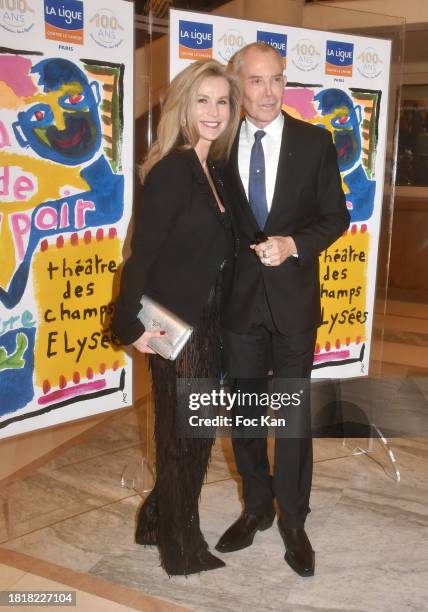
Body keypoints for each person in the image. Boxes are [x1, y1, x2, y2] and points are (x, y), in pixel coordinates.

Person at [215, 43, 350, 577]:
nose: (268, 92)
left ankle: (294, 519)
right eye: (256, 81)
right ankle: (257, 507)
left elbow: (335, 217)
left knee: (292, 418)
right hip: (239, 305)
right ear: (237, 85)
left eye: (277, 80)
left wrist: (294, 244)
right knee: (245, 413)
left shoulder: (315, 143)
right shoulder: (219, 146)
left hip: (294, 304)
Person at [111, 59, 240, 576]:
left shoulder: (216, 170)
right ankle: (179, 547)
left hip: (208, 323)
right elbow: (140, 257)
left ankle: (154, 519)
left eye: (222, 101)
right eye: (203, 100)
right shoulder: (170, 170)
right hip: (175, 326)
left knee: (196, 429)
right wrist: (129, 329)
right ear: (184, 106)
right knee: (187, 433)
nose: (213, 111)